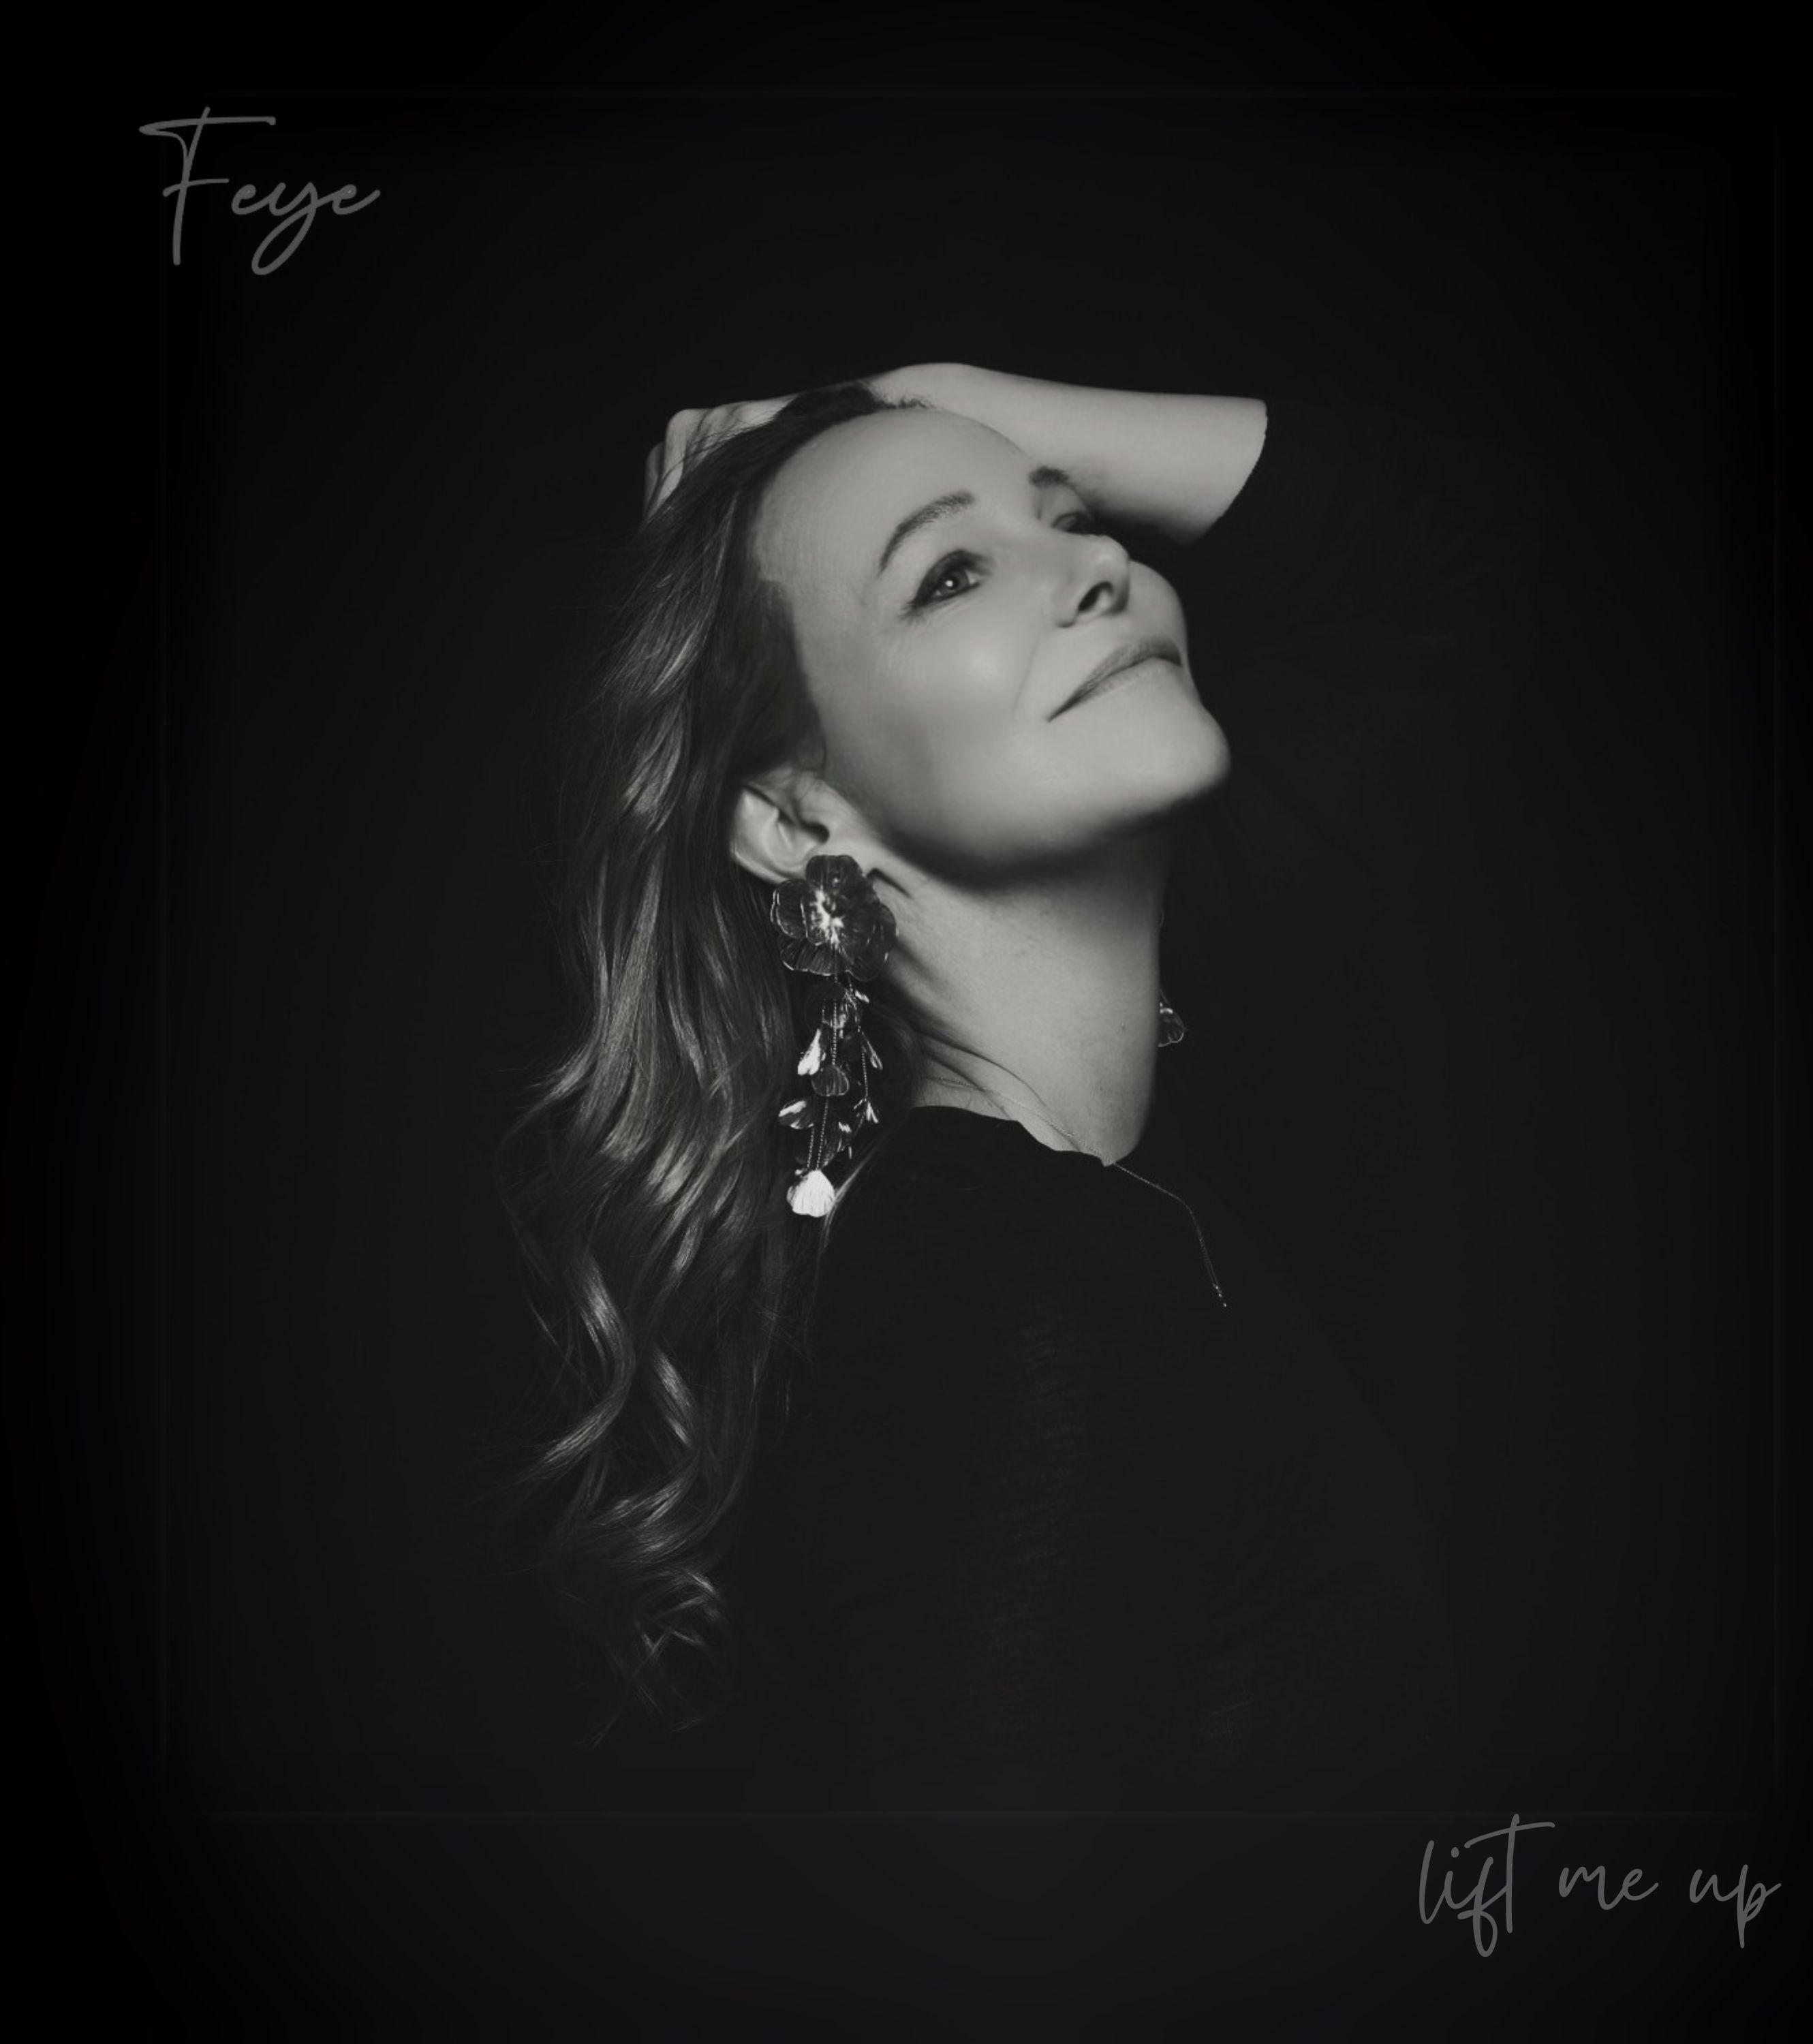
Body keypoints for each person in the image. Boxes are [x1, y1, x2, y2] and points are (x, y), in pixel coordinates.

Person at [496, 362, 1543, 1812]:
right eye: (951, 574)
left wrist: (924, 400)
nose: (1101, 567)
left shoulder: (1070, 1176)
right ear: (799, 820)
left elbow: (1485, 554)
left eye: (1076, 519)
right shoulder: (998, 1294)